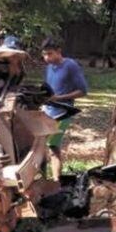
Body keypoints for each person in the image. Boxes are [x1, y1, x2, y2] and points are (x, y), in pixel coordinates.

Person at [41, 38, 88, 180]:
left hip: (63, 112)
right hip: (47, 111)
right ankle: (43, 180)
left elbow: (82, 91)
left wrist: (59, 98)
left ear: (59, 51)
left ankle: (56, 181)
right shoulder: (49, 67)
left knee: (52, 147)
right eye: (44, 55)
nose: (46, 58)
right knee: (39, 147)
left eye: (50, 54)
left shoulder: (70, 66)